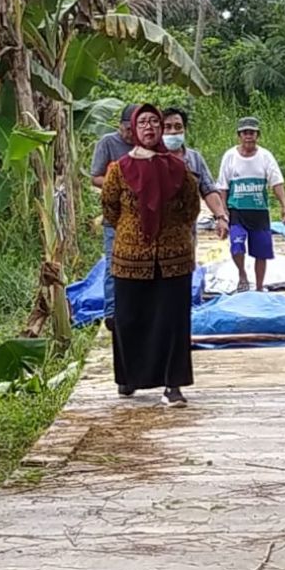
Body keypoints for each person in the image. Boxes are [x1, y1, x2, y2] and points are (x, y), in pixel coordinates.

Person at [101, 103, 201, 407]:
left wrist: (172, 232)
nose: (149, 128)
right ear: (133, 129)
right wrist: (133, 231)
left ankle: (173, 385)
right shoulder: (118, 169)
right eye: (143, 122)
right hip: (131, 256)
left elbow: (191, 206)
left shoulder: (178, 167)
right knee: (129, 317)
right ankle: (129, 378)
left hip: (174, 256)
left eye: (155, 122)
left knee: (172, 319)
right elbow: (109, 207)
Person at [215, 117, 285, 292]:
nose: (248, 136)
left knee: (261, 252)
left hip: (259, 212)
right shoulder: (230, 156)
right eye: (245, 133)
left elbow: (276, 182)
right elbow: (223, 186)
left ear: (258, 135)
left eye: (252, 133)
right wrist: (223, 211)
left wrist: (284, 206)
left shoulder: (265, 157)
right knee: (237, 244)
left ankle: (258, 287)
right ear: (239, 136)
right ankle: (242, 274)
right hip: (237, 212)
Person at [90, 104, 137, 328]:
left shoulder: (145, 144)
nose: (130, 133)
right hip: (115, 217)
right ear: (120, 125)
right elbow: (95, 177)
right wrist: (120, 184)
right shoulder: (108, 143)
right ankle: (111, 312)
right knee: (113, 265)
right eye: (127, 128)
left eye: (134, 128)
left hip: (140, 217)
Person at [161, 107, 229, 241]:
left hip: (187, 234)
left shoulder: (194, 159)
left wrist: (221, 217)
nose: (173, 131)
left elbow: (208, 189)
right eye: (167, 127)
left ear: (184, 129)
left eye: (178, 126)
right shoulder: (150, 158)